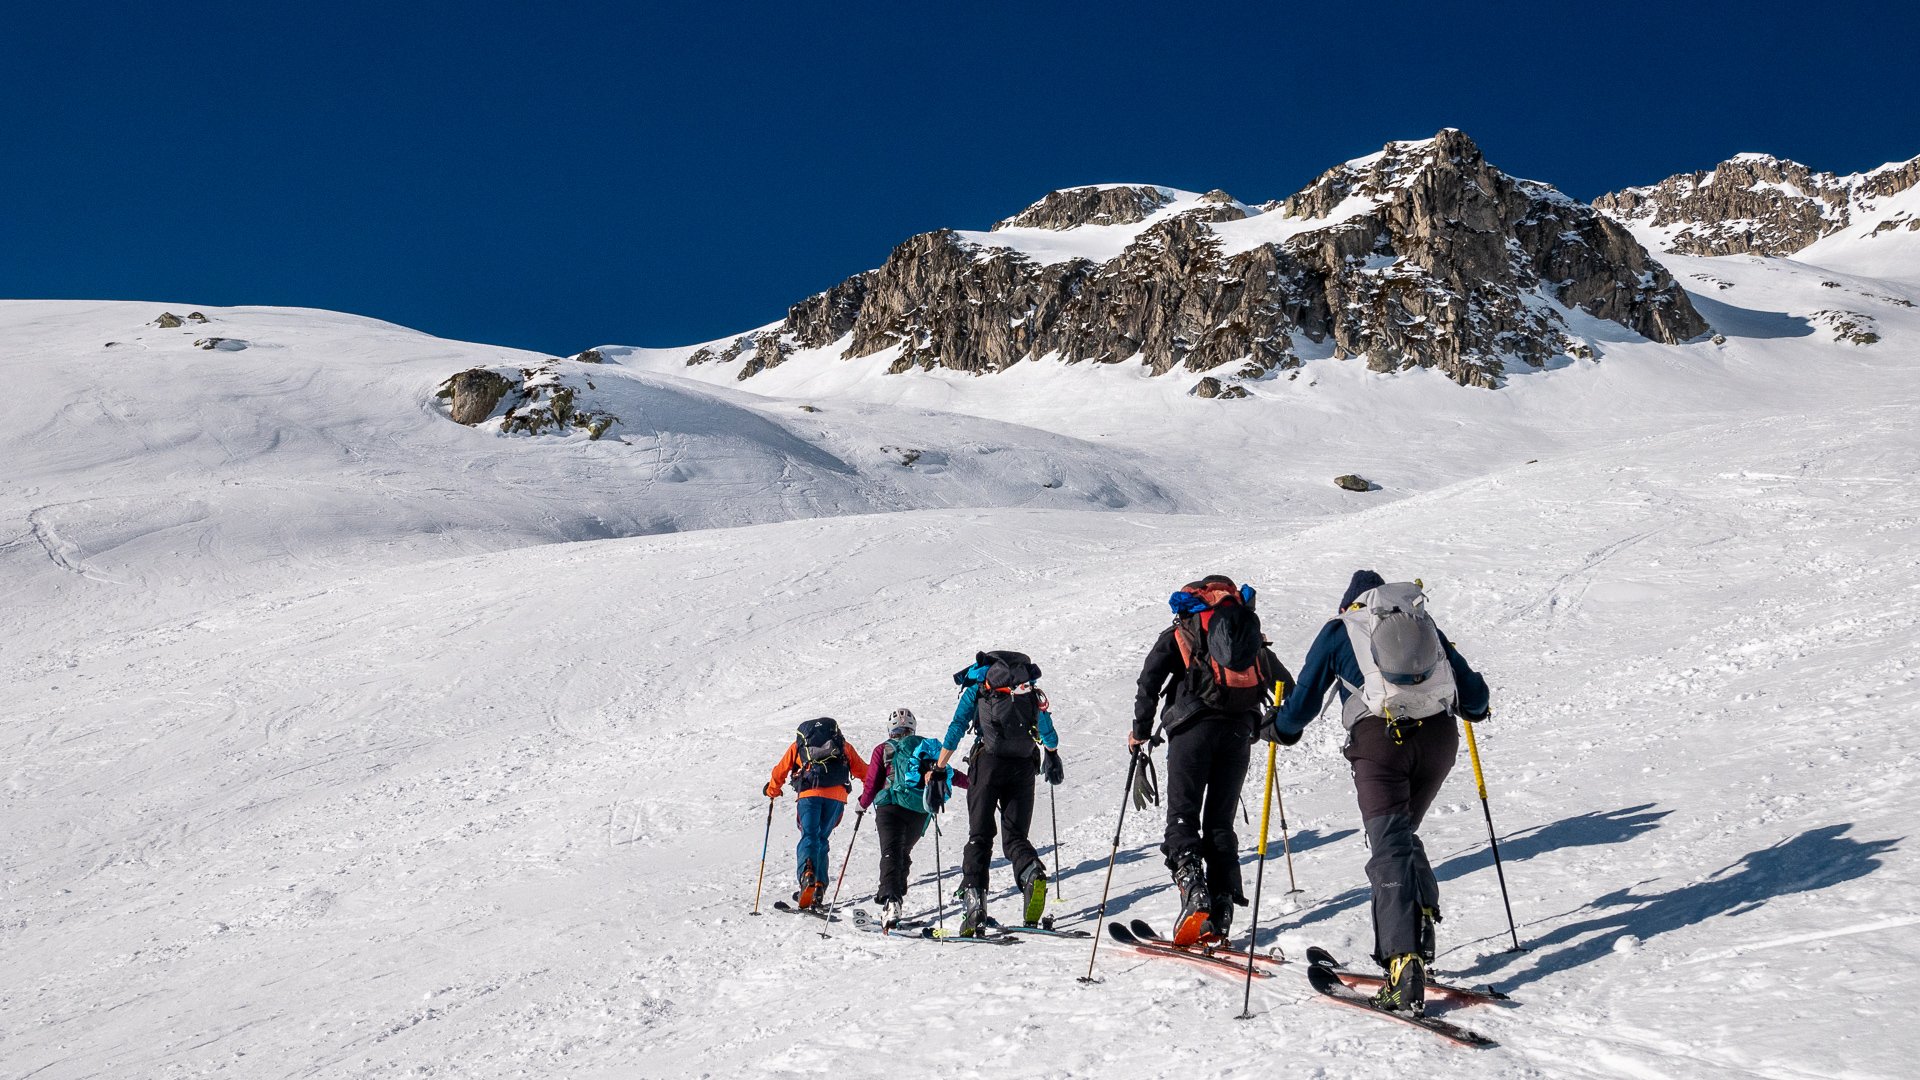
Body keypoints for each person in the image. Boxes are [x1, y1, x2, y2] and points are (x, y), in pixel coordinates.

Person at [1261, 570, 1490, 1015]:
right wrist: (1472, 708)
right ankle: (1421, 923)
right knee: (1400, 836)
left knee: (1389, 845)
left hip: (1381, 744)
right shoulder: (1422, 625)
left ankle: (1403, 964)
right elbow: (1475, 698)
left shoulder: (1340, 630)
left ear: (1351, 604)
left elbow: (1302, 705)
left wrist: (1278, 729)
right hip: (1439, 742)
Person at [1132, 575, 1291, 946]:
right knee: (1220, 821)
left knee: (1182, 815)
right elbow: (1287, 687)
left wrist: (1140, 732)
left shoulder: (1183, 630)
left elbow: (1148, 681)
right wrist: (1272, 724)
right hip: (1239, 732)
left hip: (1192, 729)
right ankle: (1221, 908)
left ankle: (1194, 892)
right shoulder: (1249, 637)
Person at [934, 650, 1063, 936]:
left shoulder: (979, 689)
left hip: (988, 765)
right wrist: (1052, 755)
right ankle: (1032, 872)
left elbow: (956, 728)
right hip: (1024, 765)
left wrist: (939, 767)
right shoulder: (1029, 692)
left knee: (979, 837)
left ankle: (974, 905)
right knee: (1015, 837)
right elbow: (1048, 732)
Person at [857, 708, 968, 929]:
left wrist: (862, 804)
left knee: (891, 851)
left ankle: (892, 902)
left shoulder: (883, 749)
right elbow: (949, 773)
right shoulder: (924, 748)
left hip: (890, 805)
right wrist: (976, 784)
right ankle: (896, 896)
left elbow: (872, 783)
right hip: (920, 810)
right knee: (903, 852)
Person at [765, 716, 869, 910]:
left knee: (809, 836)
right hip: (837, 797)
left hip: (809, 794)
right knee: (821, 838)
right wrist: (872, 792)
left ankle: (807, 876)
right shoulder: (842, 745)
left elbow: (780, 770)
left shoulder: (799, 746)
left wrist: (772, 790)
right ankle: (819, 887)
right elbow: (864, 771)